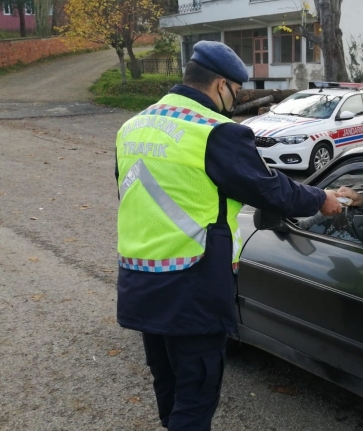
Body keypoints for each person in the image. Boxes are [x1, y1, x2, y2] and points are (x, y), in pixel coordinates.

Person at [114, 41, 341, 431]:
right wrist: (322, 199)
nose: (234, 100)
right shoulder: (215, 132)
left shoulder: (132, 126)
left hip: (139, 279)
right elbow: (270, 190)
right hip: (192, 283)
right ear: (221, 84)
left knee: (168, 382)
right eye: (236, 91)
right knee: (198, 390)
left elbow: (130, 191)